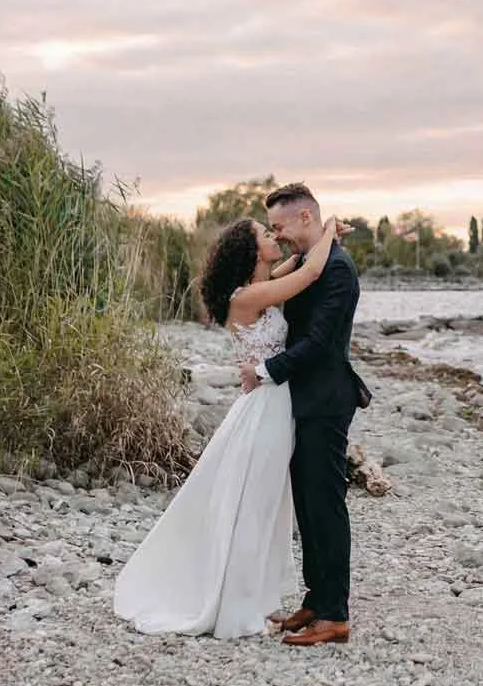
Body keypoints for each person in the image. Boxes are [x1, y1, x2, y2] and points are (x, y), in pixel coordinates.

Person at [111, 214, 340, 639]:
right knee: (253, 504)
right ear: (251, 251)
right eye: (266, 234)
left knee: (266, 503)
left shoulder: (257, 287)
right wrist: (327, 232)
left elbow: (293, 267)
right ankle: (236, 605)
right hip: (266, 409)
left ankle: (254, 594)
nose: (274, 237)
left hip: (270, 402)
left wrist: (311, 243)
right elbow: (309, 272)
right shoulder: (246, 298)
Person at [240, 182, 367, 648]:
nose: (278, 235)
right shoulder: (315, 263)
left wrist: (264, 370)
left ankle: (335, 614)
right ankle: (316, 599)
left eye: (280, 226)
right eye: (270, 229)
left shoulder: (337, 269)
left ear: (306, 218)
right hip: (300, 402)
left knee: (326, 505)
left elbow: (317, 344)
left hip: (326, 401)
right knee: (308, 506)